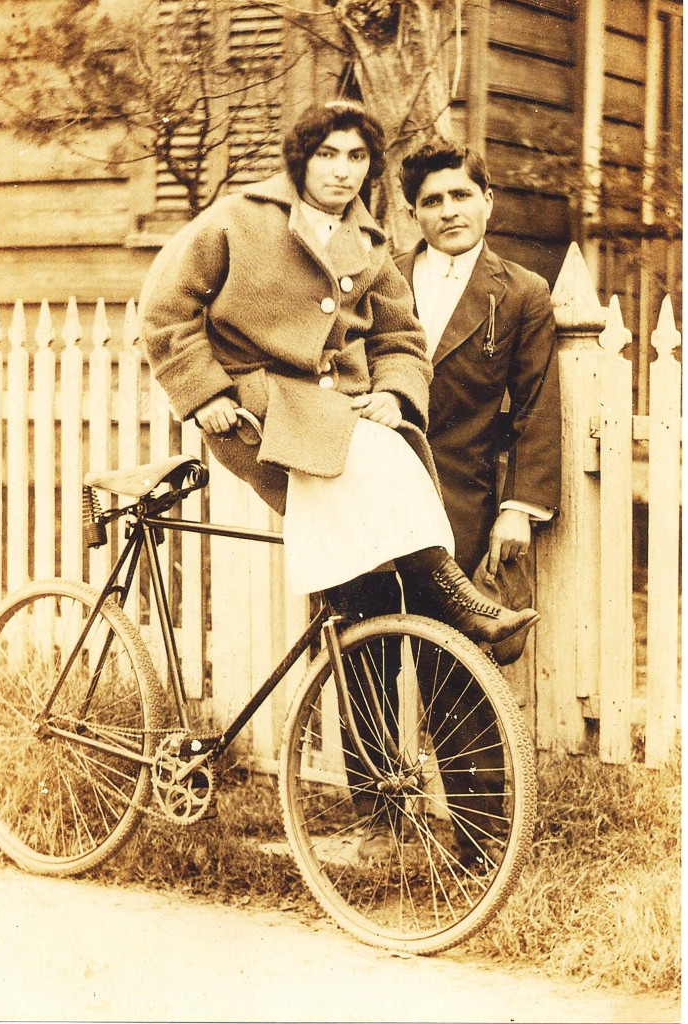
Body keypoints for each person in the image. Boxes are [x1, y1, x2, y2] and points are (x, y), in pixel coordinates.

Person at [140, 102, 540, 865]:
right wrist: (204, 392)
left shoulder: (369, 240)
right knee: (362, 454)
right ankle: (457, 597)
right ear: (300, 159)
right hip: (254, 408)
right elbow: (164, 309)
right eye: (327, 154)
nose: (341, 170)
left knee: (385, 446)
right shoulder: (236, 219)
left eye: (357, 157)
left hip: (334, 415)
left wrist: (392, 393)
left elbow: (398, 336)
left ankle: (440, 617)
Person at [395, 141, 561, 587]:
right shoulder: (383, 280)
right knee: (364, 647)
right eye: (432, 201)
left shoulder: (523, 292)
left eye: (461, 195)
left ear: (487, 200)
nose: (449, 211)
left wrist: (517, 509)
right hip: (376, 495)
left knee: (448, 653)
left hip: (462, 508)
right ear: (413, 214)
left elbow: (536, 406)